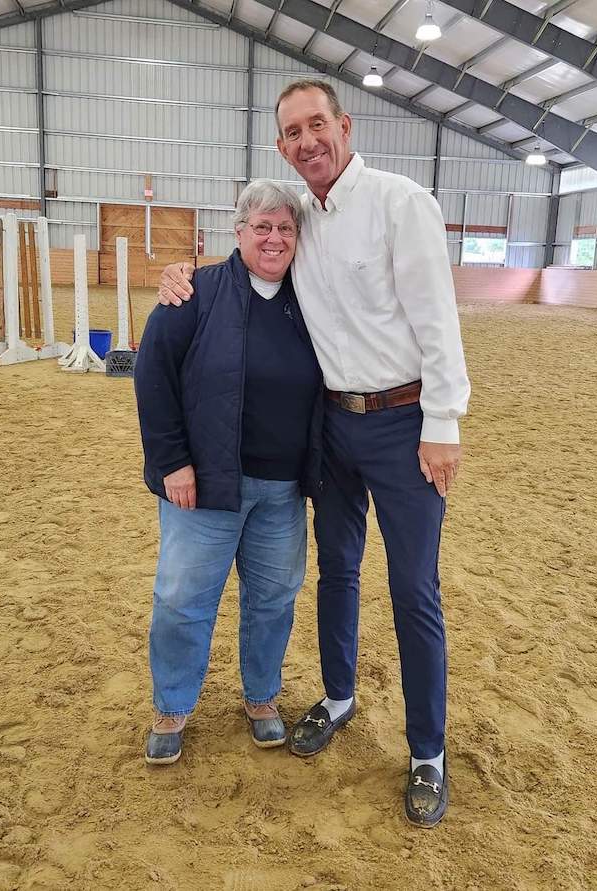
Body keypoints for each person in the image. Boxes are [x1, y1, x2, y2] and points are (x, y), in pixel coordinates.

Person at [157, 79, 470, 827]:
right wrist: (176, 276)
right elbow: (247, 272)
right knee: (336, 570)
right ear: (281, 145)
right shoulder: (299, 219)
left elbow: (438, 315)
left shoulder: (400, 203)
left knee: (414, 589)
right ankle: (337, 695)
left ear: (343, 124)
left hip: (403, 424)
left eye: (317, 124)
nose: (307, 140)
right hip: (331, 428)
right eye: (293, 131)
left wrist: (444, 420)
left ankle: (427, 751)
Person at [134, 179, 323, 766]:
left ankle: (261, 698)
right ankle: (172, 707)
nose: (273, 238)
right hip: (206, 484)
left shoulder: (313, 299)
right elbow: (152, 375)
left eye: (285, 228)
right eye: (261, 226)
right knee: (183, 598)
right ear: (237, 233)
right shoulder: (194, 292)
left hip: (284, 489)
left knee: (273, 598)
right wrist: (173, 463)